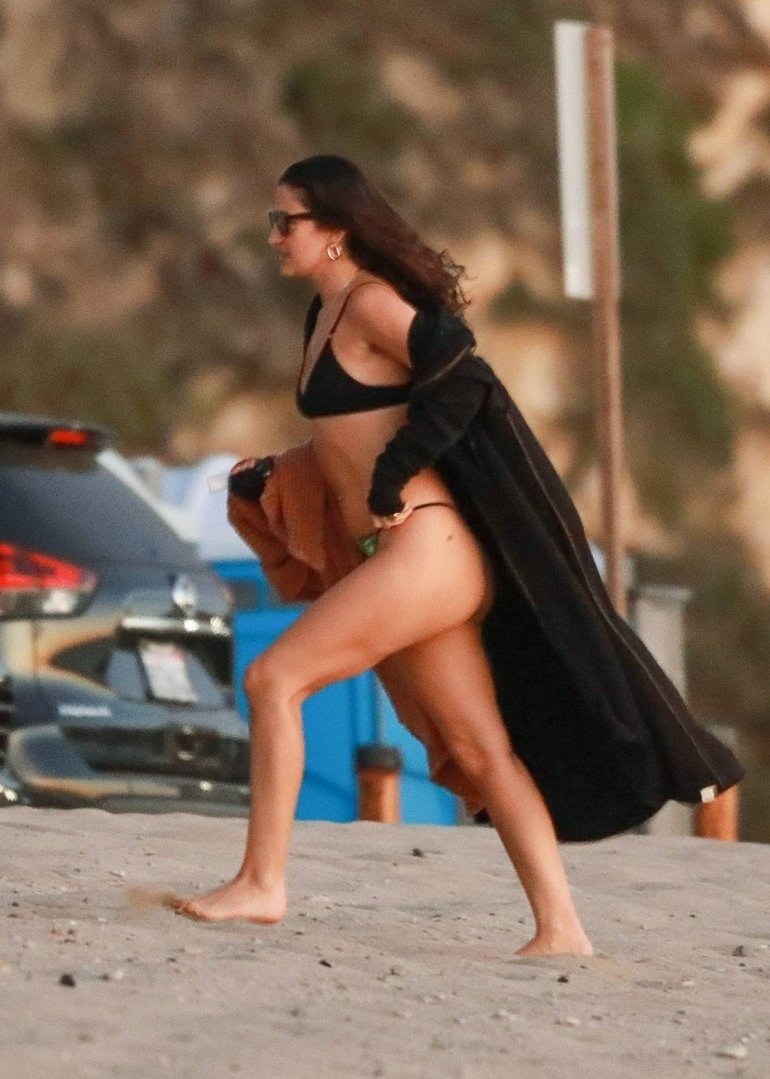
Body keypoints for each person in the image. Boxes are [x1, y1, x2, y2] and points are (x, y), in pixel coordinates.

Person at [175, 155, 742, 955]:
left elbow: (464, 375)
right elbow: (348, 435)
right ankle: (562, 927)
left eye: (285, 221)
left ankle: (262, 882)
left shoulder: (372, 302)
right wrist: (277, 474)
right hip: (408, 556)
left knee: (274, 680)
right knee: (480, 748)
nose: (273, 236)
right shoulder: (324, 312)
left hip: (424, 549)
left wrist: (396, 472)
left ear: (334, 229)